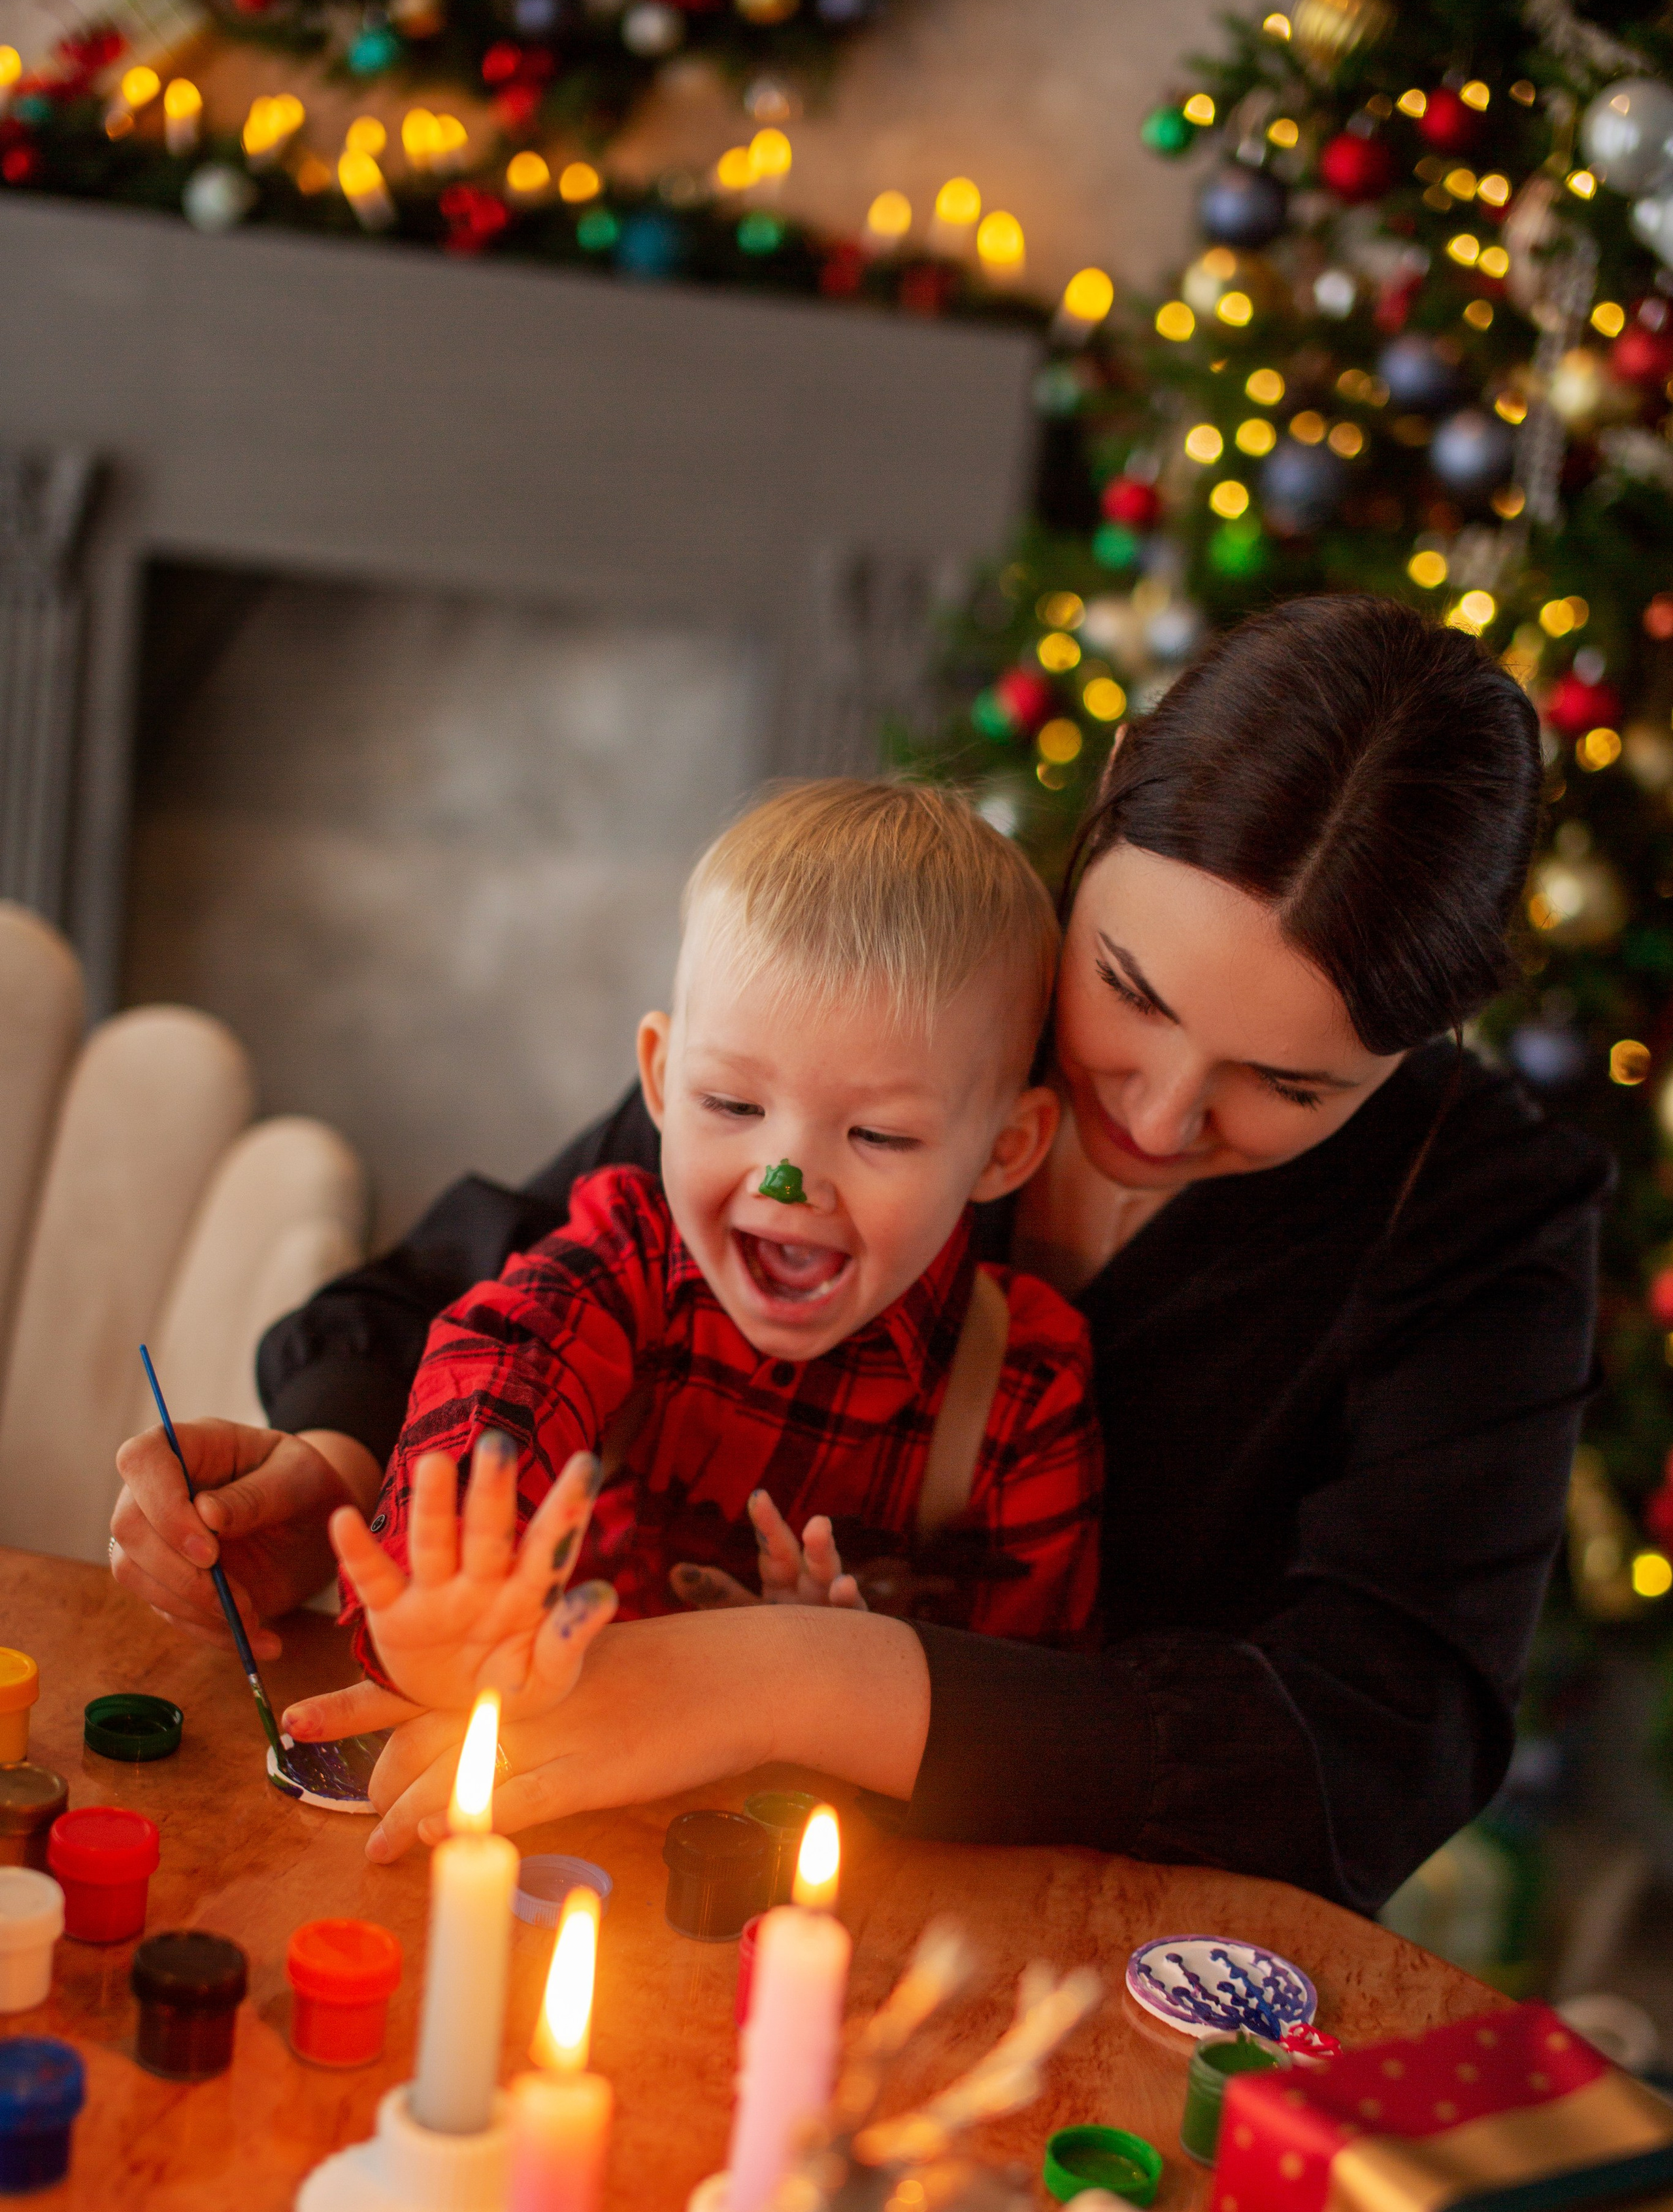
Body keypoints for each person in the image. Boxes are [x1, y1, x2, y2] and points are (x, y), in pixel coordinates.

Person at [110, 597, 1611, 1912]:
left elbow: (1375, 1743)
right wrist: (349, 1481)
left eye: (1288, 1087)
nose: (1151, 1112)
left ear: (1419, 1044)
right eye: (1128, 992)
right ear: (1105, 802)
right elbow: (483, 1282)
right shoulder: (925, 980)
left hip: (1060, 1930)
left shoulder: (1471, 1210)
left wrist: (796, 1676)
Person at [333, 779, 1101, 1722]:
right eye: (733, 1107)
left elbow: (1028, 1724)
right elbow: (501, 1372)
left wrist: (844, 1681)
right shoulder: (626, 1262)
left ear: (1006, 1149)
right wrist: (440, 1590)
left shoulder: (1023, 1395)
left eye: (880, 1137)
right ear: (659, 1078)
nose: (786, 1183)